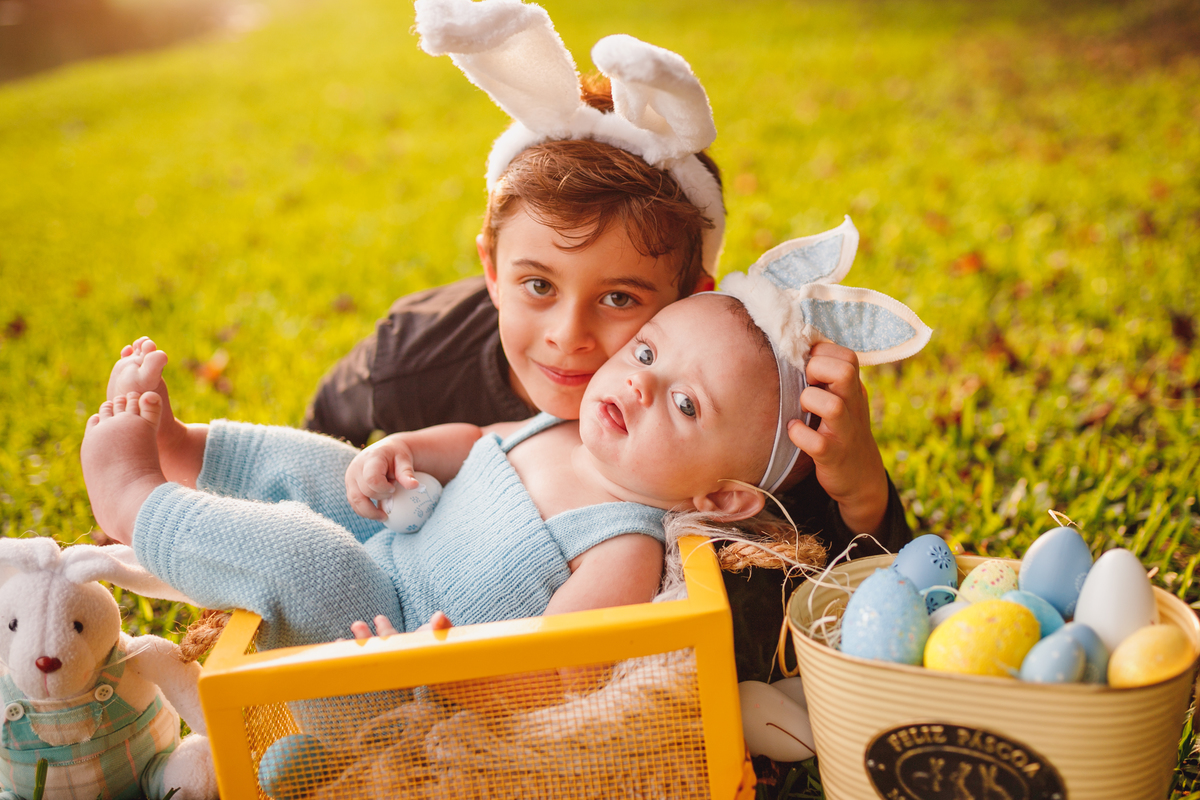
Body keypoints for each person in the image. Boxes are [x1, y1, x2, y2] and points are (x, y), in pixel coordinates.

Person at [298, 0, 915, 680]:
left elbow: (842, 617)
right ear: (491, 271)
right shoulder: (408, 366)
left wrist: (859, 487)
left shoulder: (734, 408)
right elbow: (311, 462)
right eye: (537, 286)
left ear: (690, 297)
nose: (568, 339)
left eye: (619, 299)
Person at [81, 293, 790, 651]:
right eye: (644, 355)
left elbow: (553, 665)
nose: (641, 384)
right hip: (393, 541)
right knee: (329, 465)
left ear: (721, 496)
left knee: (312, 553)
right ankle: (184, 446)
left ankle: (139, 503)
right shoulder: (563, 425)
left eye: (687, 403)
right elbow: (477, 440)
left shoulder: (623, 546)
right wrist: (410, 451)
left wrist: (422, 659)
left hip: (390, 642)